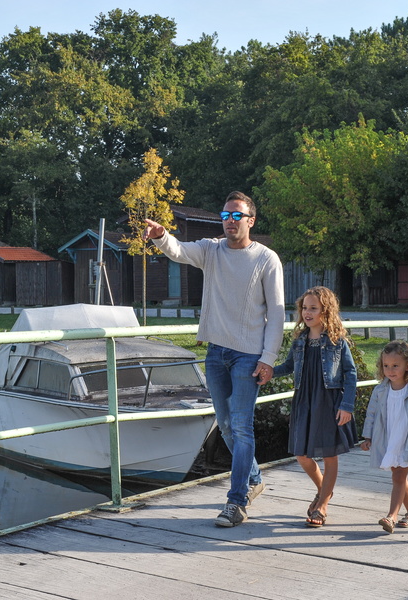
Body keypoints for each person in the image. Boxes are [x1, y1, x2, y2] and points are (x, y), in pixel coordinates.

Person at [143, 191, 285, 528]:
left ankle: (236, 502)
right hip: (216, 353)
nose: (230, 221)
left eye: (237, 216)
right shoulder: (211, 250)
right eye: (225, 215)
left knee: (242, 426)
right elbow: (179, 251)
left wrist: (268, 358)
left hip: (248, 356)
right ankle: (254, 479)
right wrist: (161, 236)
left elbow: (278, 314)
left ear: (251, 221)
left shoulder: (266, 259)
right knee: (225, 425)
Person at [272, 286, 357, 527]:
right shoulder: (300, 340)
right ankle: (324, 491)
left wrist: (347, 406)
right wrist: (268, 372)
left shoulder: (337, 341)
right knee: (302, 455)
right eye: (304, 308)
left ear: (325, 311)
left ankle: (322, 506)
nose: (307, 313)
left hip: (329, 401)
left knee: (329, 454)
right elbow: (288, 366)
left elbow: (350, 373)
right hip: (304, 400)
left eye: (313, 308)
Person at [361, 340, 408, 534]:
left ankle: (391, 516)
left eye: (395, 365)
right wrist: (368, 437)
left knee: (399, 476)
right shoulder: (380, 390)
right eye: (386, 366)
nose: (390, 370)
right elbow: (371, 414)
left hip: (407, 440)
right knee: (399, 477)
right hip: (389, 439)